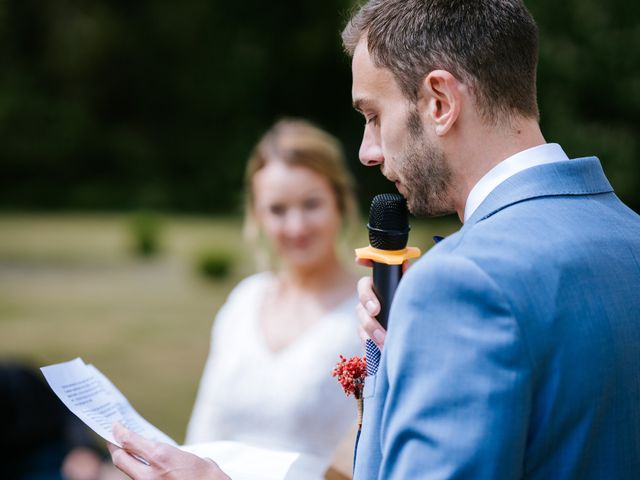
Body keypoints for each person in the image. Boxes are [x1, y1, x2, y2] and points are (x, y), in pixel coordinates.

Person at [109, 1, 640, 478]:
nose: (368, 151)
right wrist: (400, 355)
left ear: (439, 101)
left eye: (372, 115)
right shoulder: (630, 235)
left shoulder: (460, 283)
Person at [109, 119, 362, 477]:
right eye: (277, 209)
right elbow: (204, 431)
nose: (296, 226)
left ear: (339, 200)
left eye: (311, 204)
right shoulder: (245, 300)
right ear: (256, 215)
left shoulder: (369, 313)